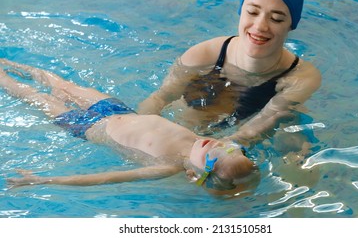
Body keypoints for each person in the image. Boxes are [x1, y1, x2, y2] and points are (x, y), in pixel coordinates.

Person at [0, 58, 259, 195]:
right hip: (117, 109)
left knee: (36, 97)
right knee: (62, 85)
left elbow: (105, 178)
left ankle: (2, 77)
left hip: (88, 127)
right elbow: (242, 135)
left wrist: (46, 179)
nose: (215, 144)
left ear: (194, 175)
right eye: (227, 146)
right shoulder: (200, 141)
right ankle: (10, 64)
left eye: (212, 153)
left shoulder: (165, 167)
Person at [138, 0, 321, 146]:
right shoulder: (203, 56)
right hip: (189, 125)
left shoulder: (300, 77)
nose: (260, 27)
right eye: (252, 12)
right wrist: (142, 133)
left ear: (291, 25)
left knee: (296, 147)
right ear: (241, 11)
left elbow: (251, 133)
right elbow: (159, 99)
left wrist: (212, 153)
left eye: (276, 19)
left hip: (248, 130)